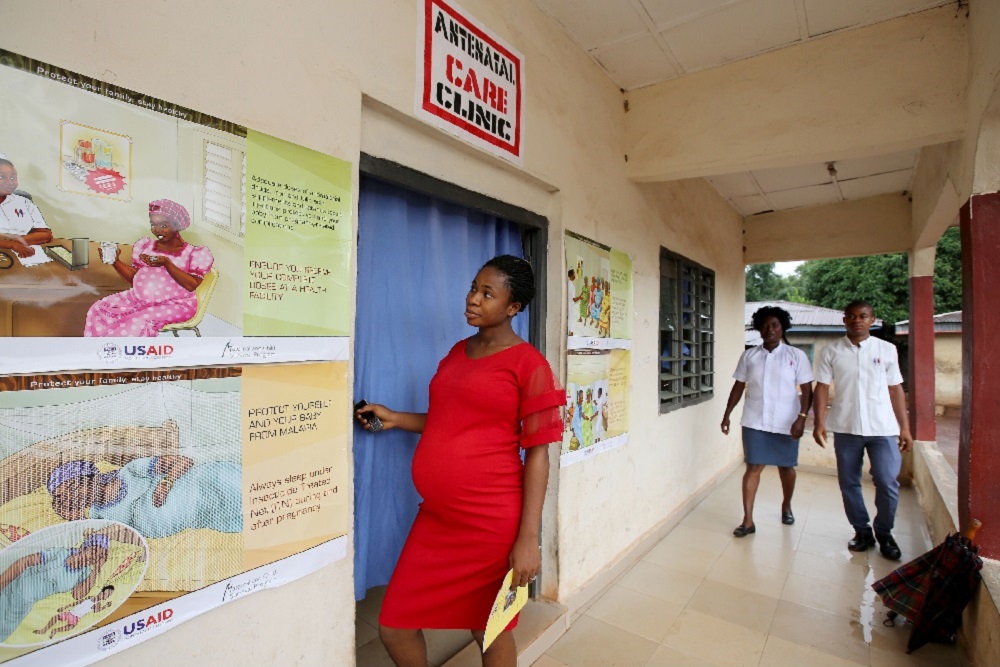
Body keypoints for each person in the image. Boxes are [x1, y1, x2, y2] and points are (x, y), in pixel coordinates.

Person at [355, 255, 563, 667]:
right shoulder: (456, 352)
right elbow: (453, 422)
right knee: (395, 625)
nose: (472, 299)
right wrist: (395, 417)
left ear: (512, 308)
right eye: (473, 288)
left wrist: (528, 537)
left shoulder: (529, 365)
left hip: (492, 524)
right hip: (439, 520)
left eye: (488, 293)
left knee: (489, 627)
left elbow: (539, 453)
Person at [813, 301, 913, 560]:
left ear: (872, 320)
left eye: (863, 316)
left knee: (888, 481)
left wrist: (904, 427)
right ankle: (862, 531)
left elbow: (895, 389)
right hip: (846, 427)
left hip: (882, 428)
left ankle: (884, 532)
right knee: (849, 483)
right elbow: (822, 387)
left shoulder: (887, 350)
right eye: (852, 316)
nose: (857, 320)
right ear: (845, 319)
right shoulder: (831, 351)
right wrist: (819, 421)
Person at [721, 306, 813, 537]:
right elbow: (738, 386)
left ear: (782, 328)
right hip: (755, 421)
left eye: (775, 325)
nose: (769, 329)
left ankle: (787, 505)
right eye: (765, 325)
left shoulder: (796, 356)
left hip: (787, 421)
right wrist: (727, 414)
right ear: (758, 328)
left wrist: (802, 418)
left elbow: (807, 389)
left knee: (786, 467)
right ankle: (748, 520)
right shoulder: (749, 356)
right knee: (753, 467)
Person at [84, 199, 214, 337]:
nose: (157, 230)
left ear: (177, 225)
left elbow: (191, 285)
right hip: (139, 300)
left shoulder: (194, 253)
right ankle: (100, 351)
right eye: (153, 225)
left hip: (175, 305)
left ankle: (123, 353)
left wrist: (167, 264)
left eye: (163, 225)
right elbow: (135, 278)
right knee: (99, 308)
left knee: (137, 321)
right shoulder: (146, 246)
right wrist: (116, 262)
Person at [48, 456, 241, 539]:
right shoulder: (97, 514)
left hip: (205, 484)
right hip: (203, 514)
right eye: (64, 497)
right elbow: (65, 513)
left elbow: (184, 462)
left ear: (92, 476)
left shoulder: (130, 471)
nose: (73, 496)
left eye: (73, 486)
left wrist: (165, 484)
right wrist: (58, 500)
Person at [0, 534, 109, 643]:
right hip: (10, 592)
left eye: (99, 557)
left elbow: (77, 595)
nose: (95, 557)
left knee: (3, 633)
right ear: (85, 547)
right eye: (94, 551)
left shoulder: (85, 572)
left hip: (23, 606)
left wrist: (97, 569)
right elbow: (23, 562)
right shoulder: (60, 553)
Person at [0, 158, 53, 258]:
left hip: (25, 254)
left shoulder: (24, 202)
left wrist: (18, 241)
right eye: (1, 177)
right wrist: (12, 244)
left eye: (13, 178)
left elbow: (46, 235)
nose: (10, 182)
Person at [34, 584, 115, 639]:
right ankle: (44, 629)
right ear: (101, 591)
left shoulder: (98, 603)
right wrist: (65, 607)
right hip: (71, 612)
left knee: (71, 627)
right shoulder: (91, 597)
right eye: (105, 593)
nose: (106, 596)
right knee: (55, 617)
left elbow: (97, 611)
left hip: (76, 617)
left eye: (108, 595)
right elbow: (77, 602)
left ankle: (55, 630)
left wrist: (106, 606)